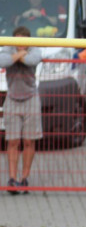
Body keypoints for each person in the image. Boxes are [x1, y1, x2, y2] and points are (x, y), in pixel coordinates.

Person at [0, 27, 42, 194]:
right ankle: (12, 178)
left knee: (29, 141)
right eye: (17, 41)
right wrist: (18, 56)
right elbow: (3, 62)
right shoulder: (7, 48)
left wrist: (16, 58)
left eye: (23, 42)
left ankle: (24, 178)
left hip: (31, 98)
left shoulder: (36, 49)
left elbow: (33, 60)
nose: (20, 45)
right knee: (12, 141)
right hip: (12, 99)